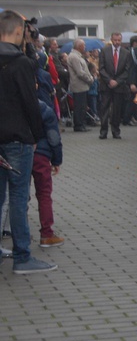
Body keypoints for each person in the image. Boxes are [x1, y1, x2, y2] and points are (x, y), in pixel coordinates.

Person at [0, 9, 57, 274]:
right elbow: (30, 104)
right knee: (19, 199)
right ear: (20, 32)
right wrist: (36, 136)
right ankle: (22, 256)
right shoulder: (21, 63)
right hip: (18, 139)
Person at [32, 99, 64, 247]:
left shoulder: (12, 104)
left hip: (18, 153)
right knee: (44, 194)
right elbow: (53, 137)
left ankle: (19, 236)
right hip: (41, 155)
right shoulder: (44, 108)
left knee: (17, 196)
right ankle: (46, 234)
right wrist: (57, 160)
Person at [98, 32, 133, 139]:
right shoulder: (104, 51)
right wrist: (109, 80)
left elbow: (127, 70)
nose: (117, 42)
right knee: (104, 108)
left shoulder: (126, 53)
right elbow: (101, 68)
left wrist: (117, 81)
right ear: (111, 40)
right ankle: (103, 131)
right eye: (115, 40)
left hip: (119, 86)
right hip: (106, 85)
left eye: (119, 40)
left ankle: (116, 131)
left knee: (117, 110)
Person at [67, 39, 95, 132]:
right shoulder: (74, 57)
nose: (85, 47)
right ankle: (78, 125)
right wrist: (90, 79)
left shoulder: (78, 56)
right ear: (79, 47)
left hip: (82, 85)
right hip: (78, 85)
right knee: (79, 106)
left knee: (82, 106)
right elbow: (80, 72)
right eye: (84, 45)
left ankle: (82, 124)